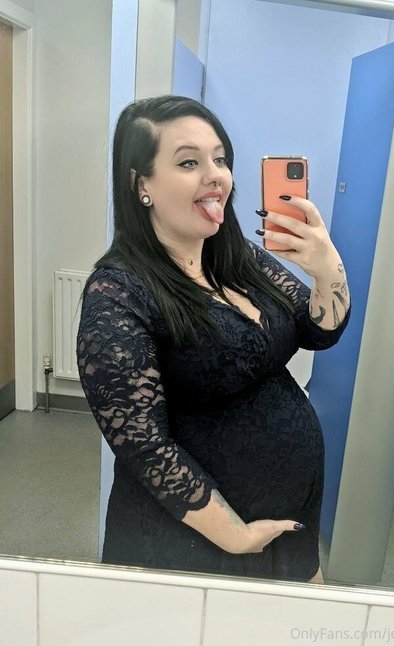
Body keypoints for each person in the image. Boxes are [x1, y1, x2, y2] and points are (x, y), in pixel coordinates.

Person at [76, 95, 350, 584]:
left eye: (220, 159)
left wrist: (328, 270)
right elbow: (144, 445)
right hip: (196, 540)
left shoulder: (236, 255)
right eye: (189, 162)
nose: (216, 176)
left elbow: (318, 331)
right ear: (142, 185)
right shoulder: (118, 293)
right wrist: (236, 536)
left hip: (289, 521)